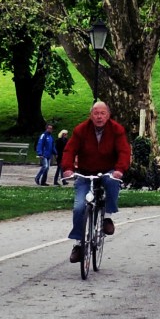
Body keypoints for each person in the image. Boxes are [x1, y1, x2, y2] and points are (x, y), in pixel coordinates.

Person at [61, 102, 130, 263]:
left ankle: (107, 216)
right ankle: (78, 244)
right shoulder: (81, 130)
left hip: (108, 170)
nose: (99, 117)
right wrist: (68, 168)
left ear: (108, 115)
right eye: (96, 113)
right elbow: (69, 150)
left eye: (103, 113)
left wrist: (120, 169)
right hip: (85, 173)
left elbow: (124, 151)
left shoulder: (116, 130)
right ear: (91, 115)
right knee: (79, 207)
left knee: (112, 182)